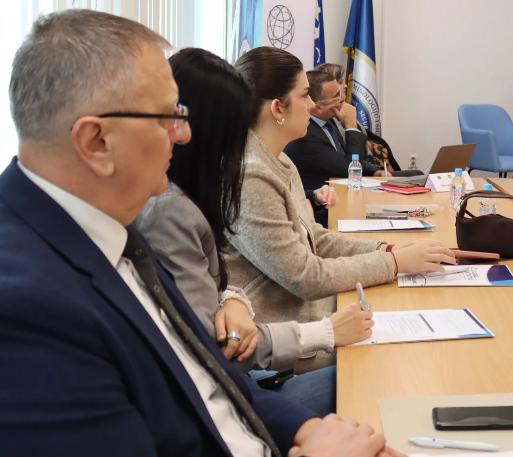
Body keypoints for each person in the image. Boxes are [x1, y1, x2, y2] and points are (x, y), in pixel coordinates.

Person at [0, 9, 404, 457]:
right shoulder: (18, 305)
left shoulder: (105, 226)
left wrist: (308, 430)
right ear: (96, 142)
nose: (183, 135)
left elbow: (208, 379)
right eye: (167, 116)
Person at [135, 48, 374, 416]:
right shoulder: (173, 209)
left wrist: (232, 299)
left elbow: (213, 288)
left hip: (253, 368)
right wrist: (325, 332)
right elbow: (214, 348)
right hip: (238, 390)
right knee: (373, 374)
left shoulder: (195, 192)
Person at [230, 46, 455, 326]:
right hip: (279, 328)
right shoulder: (251, 177)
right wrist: (395, 263)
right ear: (277, 108)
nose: (312, 105)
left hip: (301, 316)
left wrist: (386, 249)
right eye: (305, 95)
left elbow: (316, 239)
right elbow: (306, 277)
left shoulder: (280, 161)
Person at [283, 70, 389, 192]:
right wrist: (351, 125)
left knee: (406, 177)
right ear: (317, 107)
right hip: (321, 199)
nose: (343, 98)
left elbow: (343, 159)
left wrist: (374, 170)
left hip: (343, 189)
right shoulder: (305, 135)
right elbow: (349, 168)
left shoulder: (328, 122)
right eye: (336, 97)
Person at [315, 62, 409, 173]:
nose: (345, 86)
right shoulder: (326, 122)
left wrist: (375, 170)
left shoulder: (338, 116)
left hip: (363, 168)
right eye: (340, 82)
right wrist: (350, 125)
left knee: (416, 175)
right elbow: (350, 161)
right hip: (353, 173)